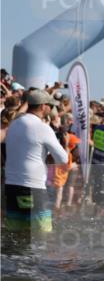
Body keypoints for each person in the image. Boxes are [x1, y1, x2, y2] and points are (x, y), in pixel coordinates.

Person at [3, 89, 68, 234]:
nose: (52, 109)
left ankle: (12, 258)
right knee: (42, 234)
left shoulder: (14, 124)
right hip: (33, 187)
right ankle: (35, 258)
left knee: (15, 233)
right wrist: (65, 143)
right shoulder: (42, 128)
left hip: (11, 185)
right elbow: (62, 159)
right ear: (43, 106)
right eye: (50, 106)